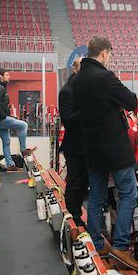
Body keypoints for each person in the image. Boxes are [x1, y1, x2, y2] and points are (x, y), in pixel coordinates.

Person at [71, 36, 138, 271]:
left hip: (92, 147)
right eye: (109, 55)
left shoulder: (78, 78)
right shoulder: (104, 77)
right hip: (114, 147)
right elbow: (131, 101)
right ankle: (121, 247)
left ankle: (97, 242)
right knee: (129, 194)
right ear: (103, 53)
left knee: (96, 196)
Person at [57, 62, 88, 220]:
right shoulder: (67, 92)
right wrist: (86, 108)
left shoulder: (84, 90)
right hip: (75, 147)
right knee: (75, 181)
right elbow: (68, 120)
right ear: (75, 70)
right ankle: (73, 216)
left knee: (84, 181)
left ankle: (77, 213)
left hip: (87, 145)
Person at [0, 69, 31, 172]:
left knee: (6, 141)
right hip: (1, 119)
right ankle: (23, 150)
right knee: (23, 125)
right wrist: (4, 116)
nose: (9, 77)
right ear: (1, 76)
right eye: (7, 75)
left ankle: (10, 164)